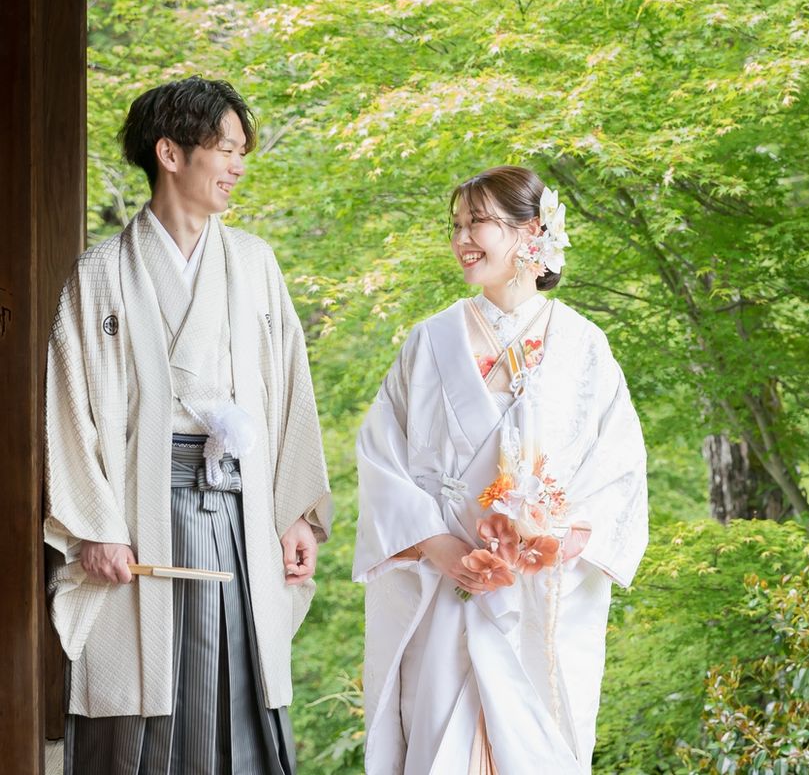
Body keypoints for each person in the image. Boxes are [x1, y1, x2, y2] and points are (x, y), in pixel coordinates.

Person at [44, 76, 332, 775]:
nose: (237, 167)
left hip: (240, 508)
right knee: (137, 691)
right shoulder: (100, 273)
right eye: (224, 150)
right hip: (136, 512)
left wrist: (295, 513)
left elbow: (289, 391)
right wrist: (97, 527)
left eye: (241, 153)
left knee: (239, 683)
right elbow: (69, 407)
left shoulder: (255, 264)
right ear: (170, 154)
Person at [354, 165, 648, 775]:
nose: (462, 238)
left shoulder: (584, 346)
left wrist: (555, 540)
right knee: (440, 738)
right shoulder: (429, 342)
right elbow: (382, 457)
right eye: (457, 225)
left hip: (541, 589)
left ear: (531, 231)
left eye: (478, 223)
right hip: (446, 583)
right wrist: (439, 547)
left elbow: (619, 468)